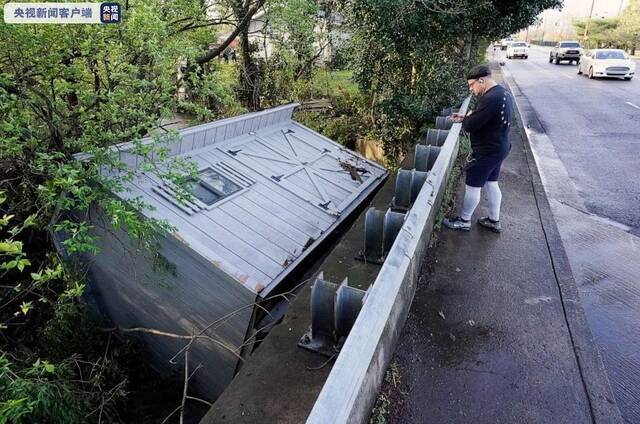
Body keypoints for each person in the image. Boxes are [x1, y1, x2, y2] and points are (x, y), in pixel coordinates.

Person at [443, 64, 513, 233]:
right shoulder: (502, 93)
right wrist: (466, 116)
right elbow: (485, 117)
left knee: (473, 186)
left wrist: (466, 120)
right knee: (491, 183)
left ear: (481, 80)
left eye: (472, 85)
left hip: (487, 151)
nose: (472, 90)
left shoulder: (490, 98)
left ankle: (464, 221)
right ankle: (494, 220)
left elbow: (470, 126)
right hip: (500, 147)